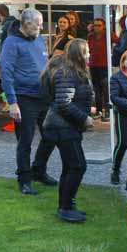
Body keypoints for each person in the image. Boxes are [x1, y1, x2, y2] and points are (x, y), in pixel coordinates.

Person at [0, 8, 59, 195]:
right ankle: (24, 179)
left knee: (51, 136)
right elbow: (6, 73)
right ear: (26, 24)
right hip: (24, 98)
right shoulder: (11, 43)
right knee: (25, 141)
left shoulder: (38, 39)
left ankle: (38, 170)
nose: (41, 28)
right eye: (38, 25)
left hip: (43, 96)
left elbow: (43, 65)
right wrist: (12, 102)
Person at [40, 39, 94, 223]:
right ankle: (65, 207)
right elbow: (64, 103)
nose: (89, 55)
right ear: (78, 55)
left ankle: (67, 206)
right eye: (86, 52)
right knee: (78, 166)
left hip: (66, 127)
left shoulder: (73, 72)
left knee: (70, 166)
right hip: (62, 127)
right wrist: (84, 118)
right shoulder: (67, 73)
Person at [109, 49, 127, 184]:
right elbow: (114, 97)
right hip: (123, 113)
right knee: (123, 143)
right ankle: (115, 170)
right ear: (123, 62)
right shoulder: (116, 78)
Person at [87, 17, 116, 120]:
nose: (97, 27)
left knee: (106, 88)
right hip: (93, 65)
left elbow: (118, 41)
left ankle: (107, 111)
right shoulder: (91, 36)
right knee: (97, 89)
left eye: (99, 25)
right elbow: (89, 48)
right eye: (95, 25)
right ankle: (99, 111)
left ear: (104, 26)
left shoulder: (108, 34)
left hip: (105, 65)